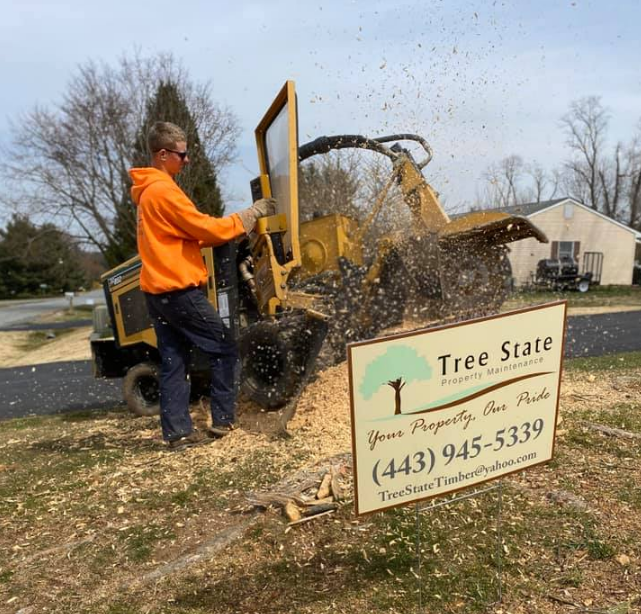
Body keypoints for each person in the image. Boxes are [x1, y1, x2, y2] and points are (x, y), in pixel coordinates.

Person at [130, 121, 275, 451]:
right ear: (164, 154)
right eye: (182, 155)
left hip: (157, 293)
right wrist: (250, 215)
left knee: (173, 361)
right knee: (224, 346)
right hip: (177, 289)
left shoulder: (147, 193)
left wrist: (228, 227)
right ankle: (223, 421)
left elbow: (186, 232)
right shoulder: (163, 191)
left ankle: (178, 434)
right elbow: (205, 229)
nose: (187, 160)